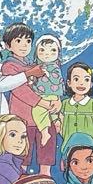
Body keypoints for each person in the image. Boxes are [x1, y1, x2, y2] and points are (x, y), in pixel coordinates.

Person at [1, 22, 59, 171]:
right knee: (22, 156)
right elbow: (20, 91)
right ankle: (20, 176)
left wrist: (57, 100)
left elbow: (51, 85)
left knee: (47, 150)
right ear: (8, 45)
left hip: (43, 118)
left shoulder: (34, 65)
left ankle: (46, 176)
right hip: (22, 119)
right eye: (18, 41)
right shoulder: (9, 66)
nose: (24, 45)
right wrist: (43, 103)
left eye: (27, 41)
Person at [28, 33, 64, 165]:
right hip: (42, 95)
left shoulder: (54, 67)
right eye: (42, 50)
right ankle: (55, 122)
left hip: (50, 95)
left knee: (38, 111)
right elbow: (33, 82)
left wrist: (47, 73)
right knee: (45, 113)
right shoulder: (37, 67)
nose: (47, 54)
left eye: (52, 50)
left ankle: (45, 131)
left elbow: (57, 80)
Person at [61, 61, 93, 143]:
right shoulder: (64, 104)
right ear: (69, 83)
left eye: (86, 79)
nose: (81, 83)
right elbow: (60, 126)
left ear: (91, 84)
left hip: (91, 146)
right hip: (69, 145)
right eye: (76, 79)